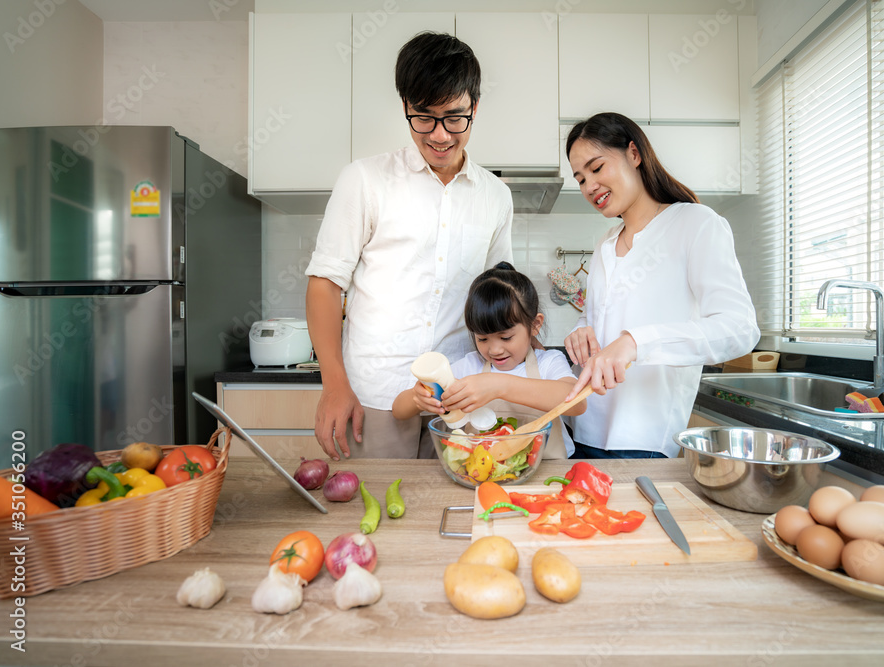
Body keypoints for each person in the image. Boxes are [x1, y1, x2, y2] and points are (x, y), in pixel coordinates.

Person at [305, 32, 513, 460]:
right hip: (374, 395)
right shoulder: (363, 180)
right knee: (374, 518)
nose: (439, 135)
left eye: (455, 118)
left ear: (475, 106)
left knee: (457, 513)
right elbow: (325, 284)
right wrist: (334, 385)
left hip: (459, 398)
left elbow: (498, 294)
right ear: (405, 107)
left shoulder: (496, 196)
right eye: (424, 117)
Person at [562, 112, 760, 458]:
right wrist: (581, 331)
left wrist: (636, 342)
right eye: (580, 179)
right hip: (585, 429)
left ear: (634, 154)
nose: (589, 186)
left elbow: (740, 329)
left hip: (644, 441)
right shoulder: (605, 244)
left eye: (596, 168)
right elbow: (599, 320)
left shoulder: (696, 224)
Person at [393, 262, 585, 458]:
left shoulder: (549, 363)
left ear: (535, 325)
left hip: (547, 474)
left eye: (506, 337)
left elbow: (577, 403)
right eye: (482, 339)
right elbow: (399, 410)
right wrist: (418, 399)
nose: (494, 349)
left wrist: (499, 385)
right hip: (484, 475)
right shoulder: (471, 365)